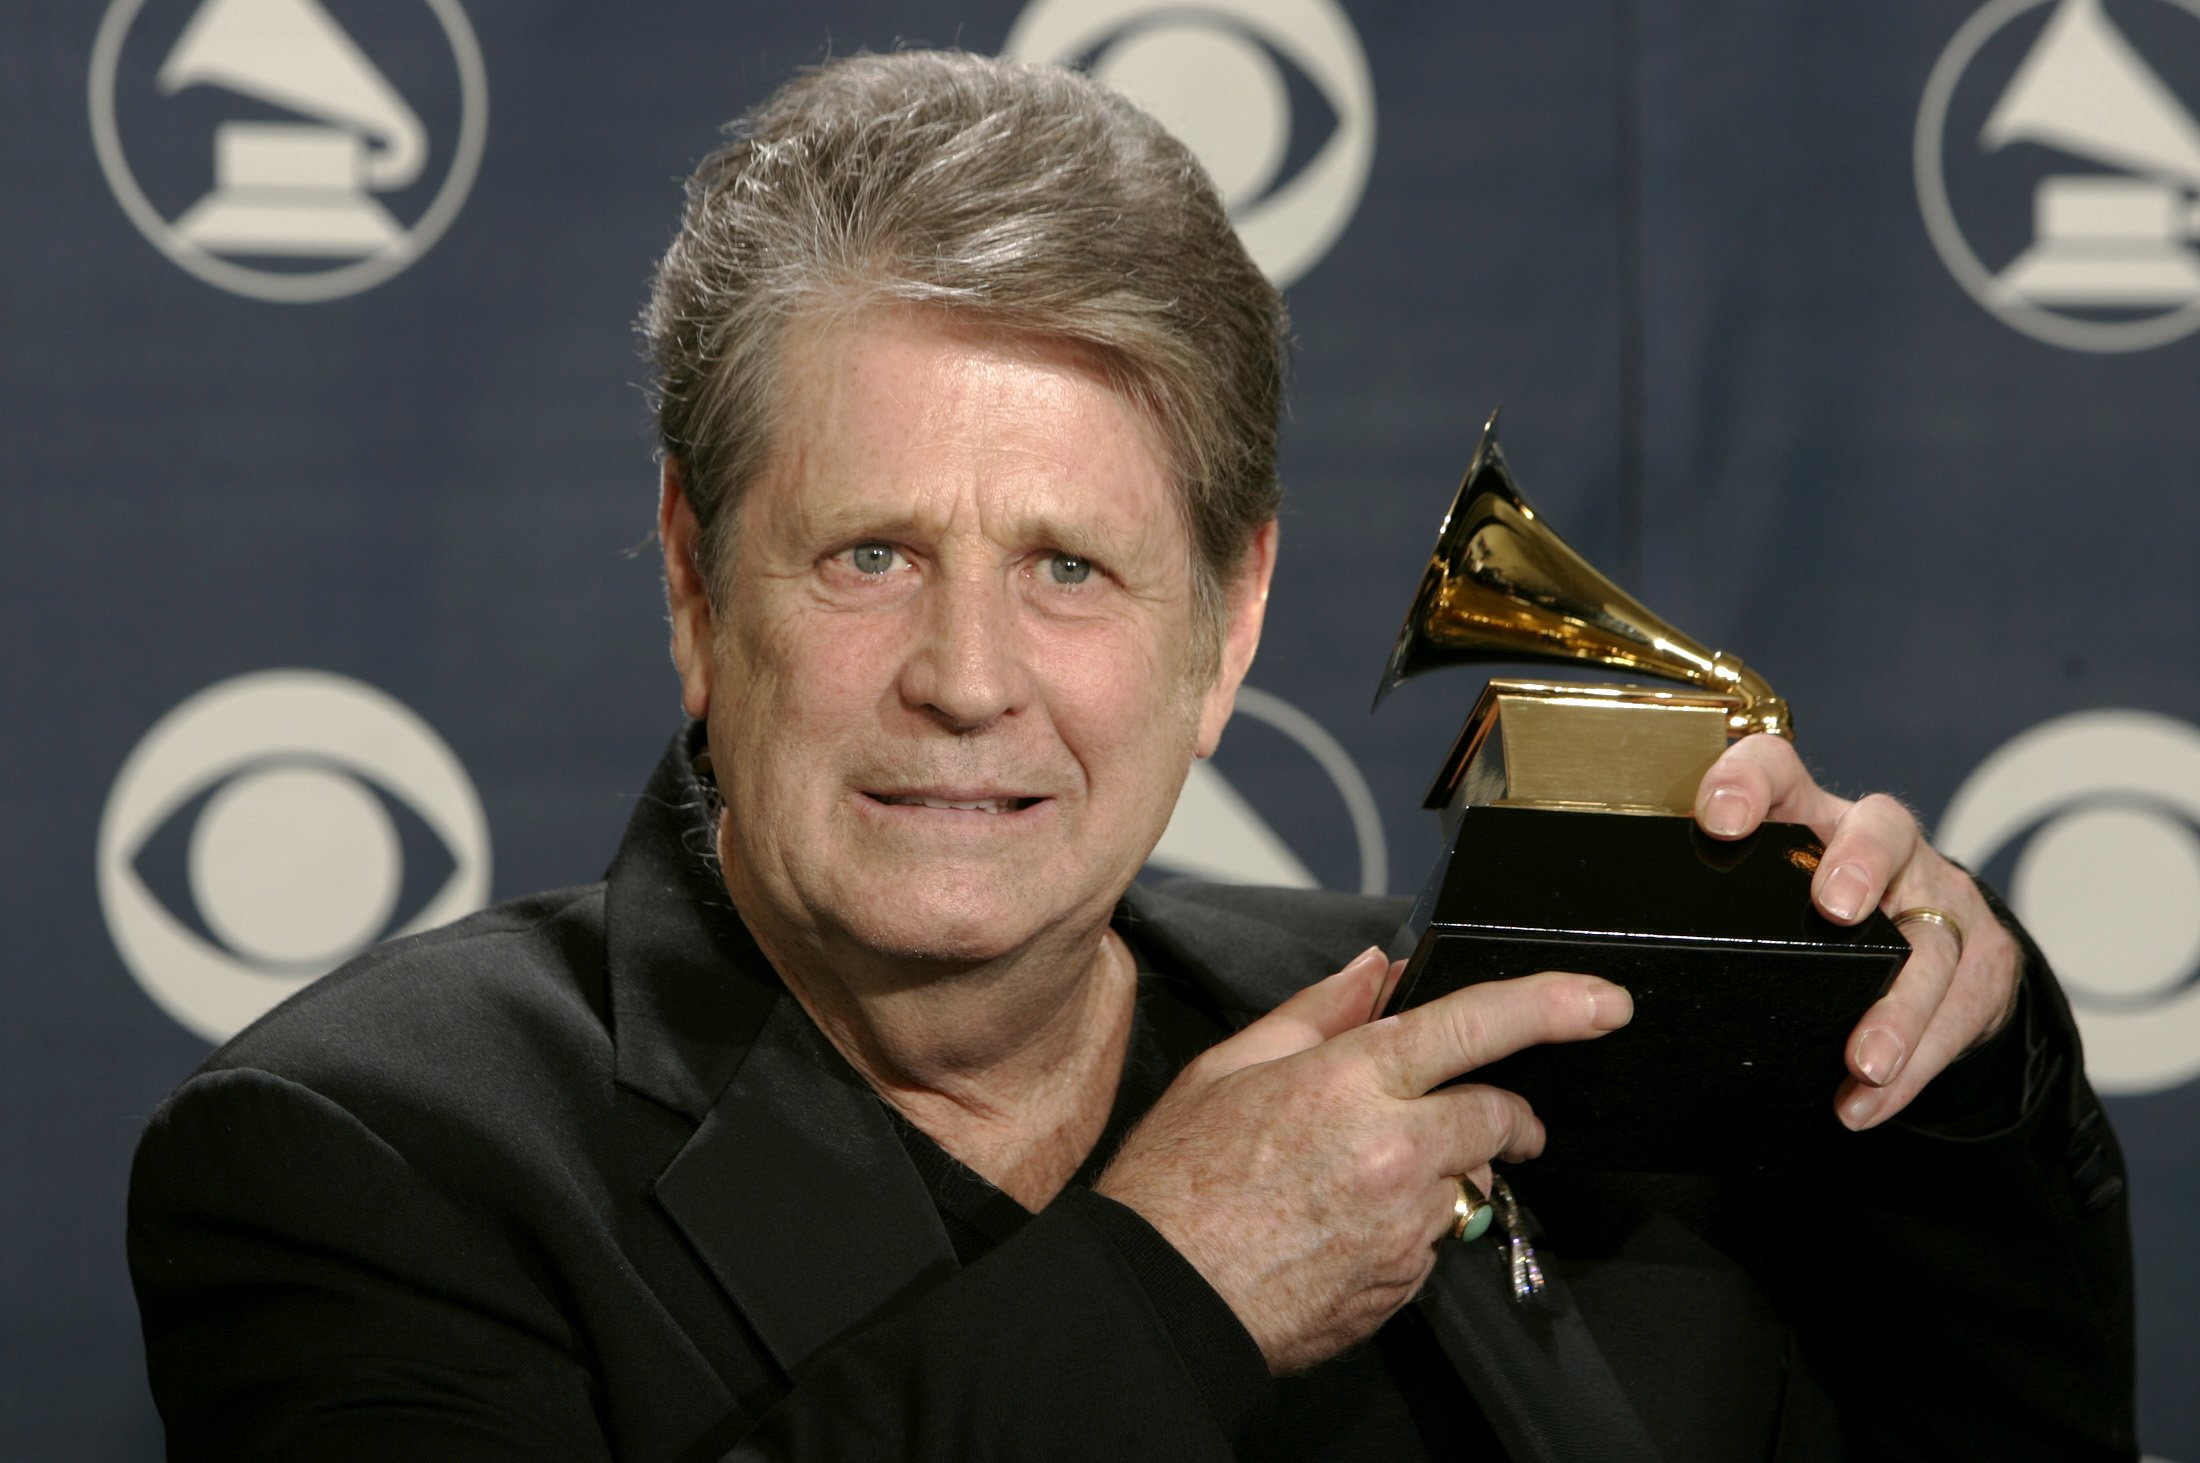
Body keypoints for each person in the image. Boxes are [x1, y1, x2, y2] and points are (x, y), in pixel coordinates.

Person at [128, 50, 2136, 1462]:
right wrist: (1166, 1285)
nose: (968, 678)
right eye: (868, 554)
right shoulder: (356, 1156)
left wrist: (1941, 1077)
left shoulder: (1468, 1034)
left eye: (1070, 568)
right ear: (688, 580)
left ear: (1224, 623)